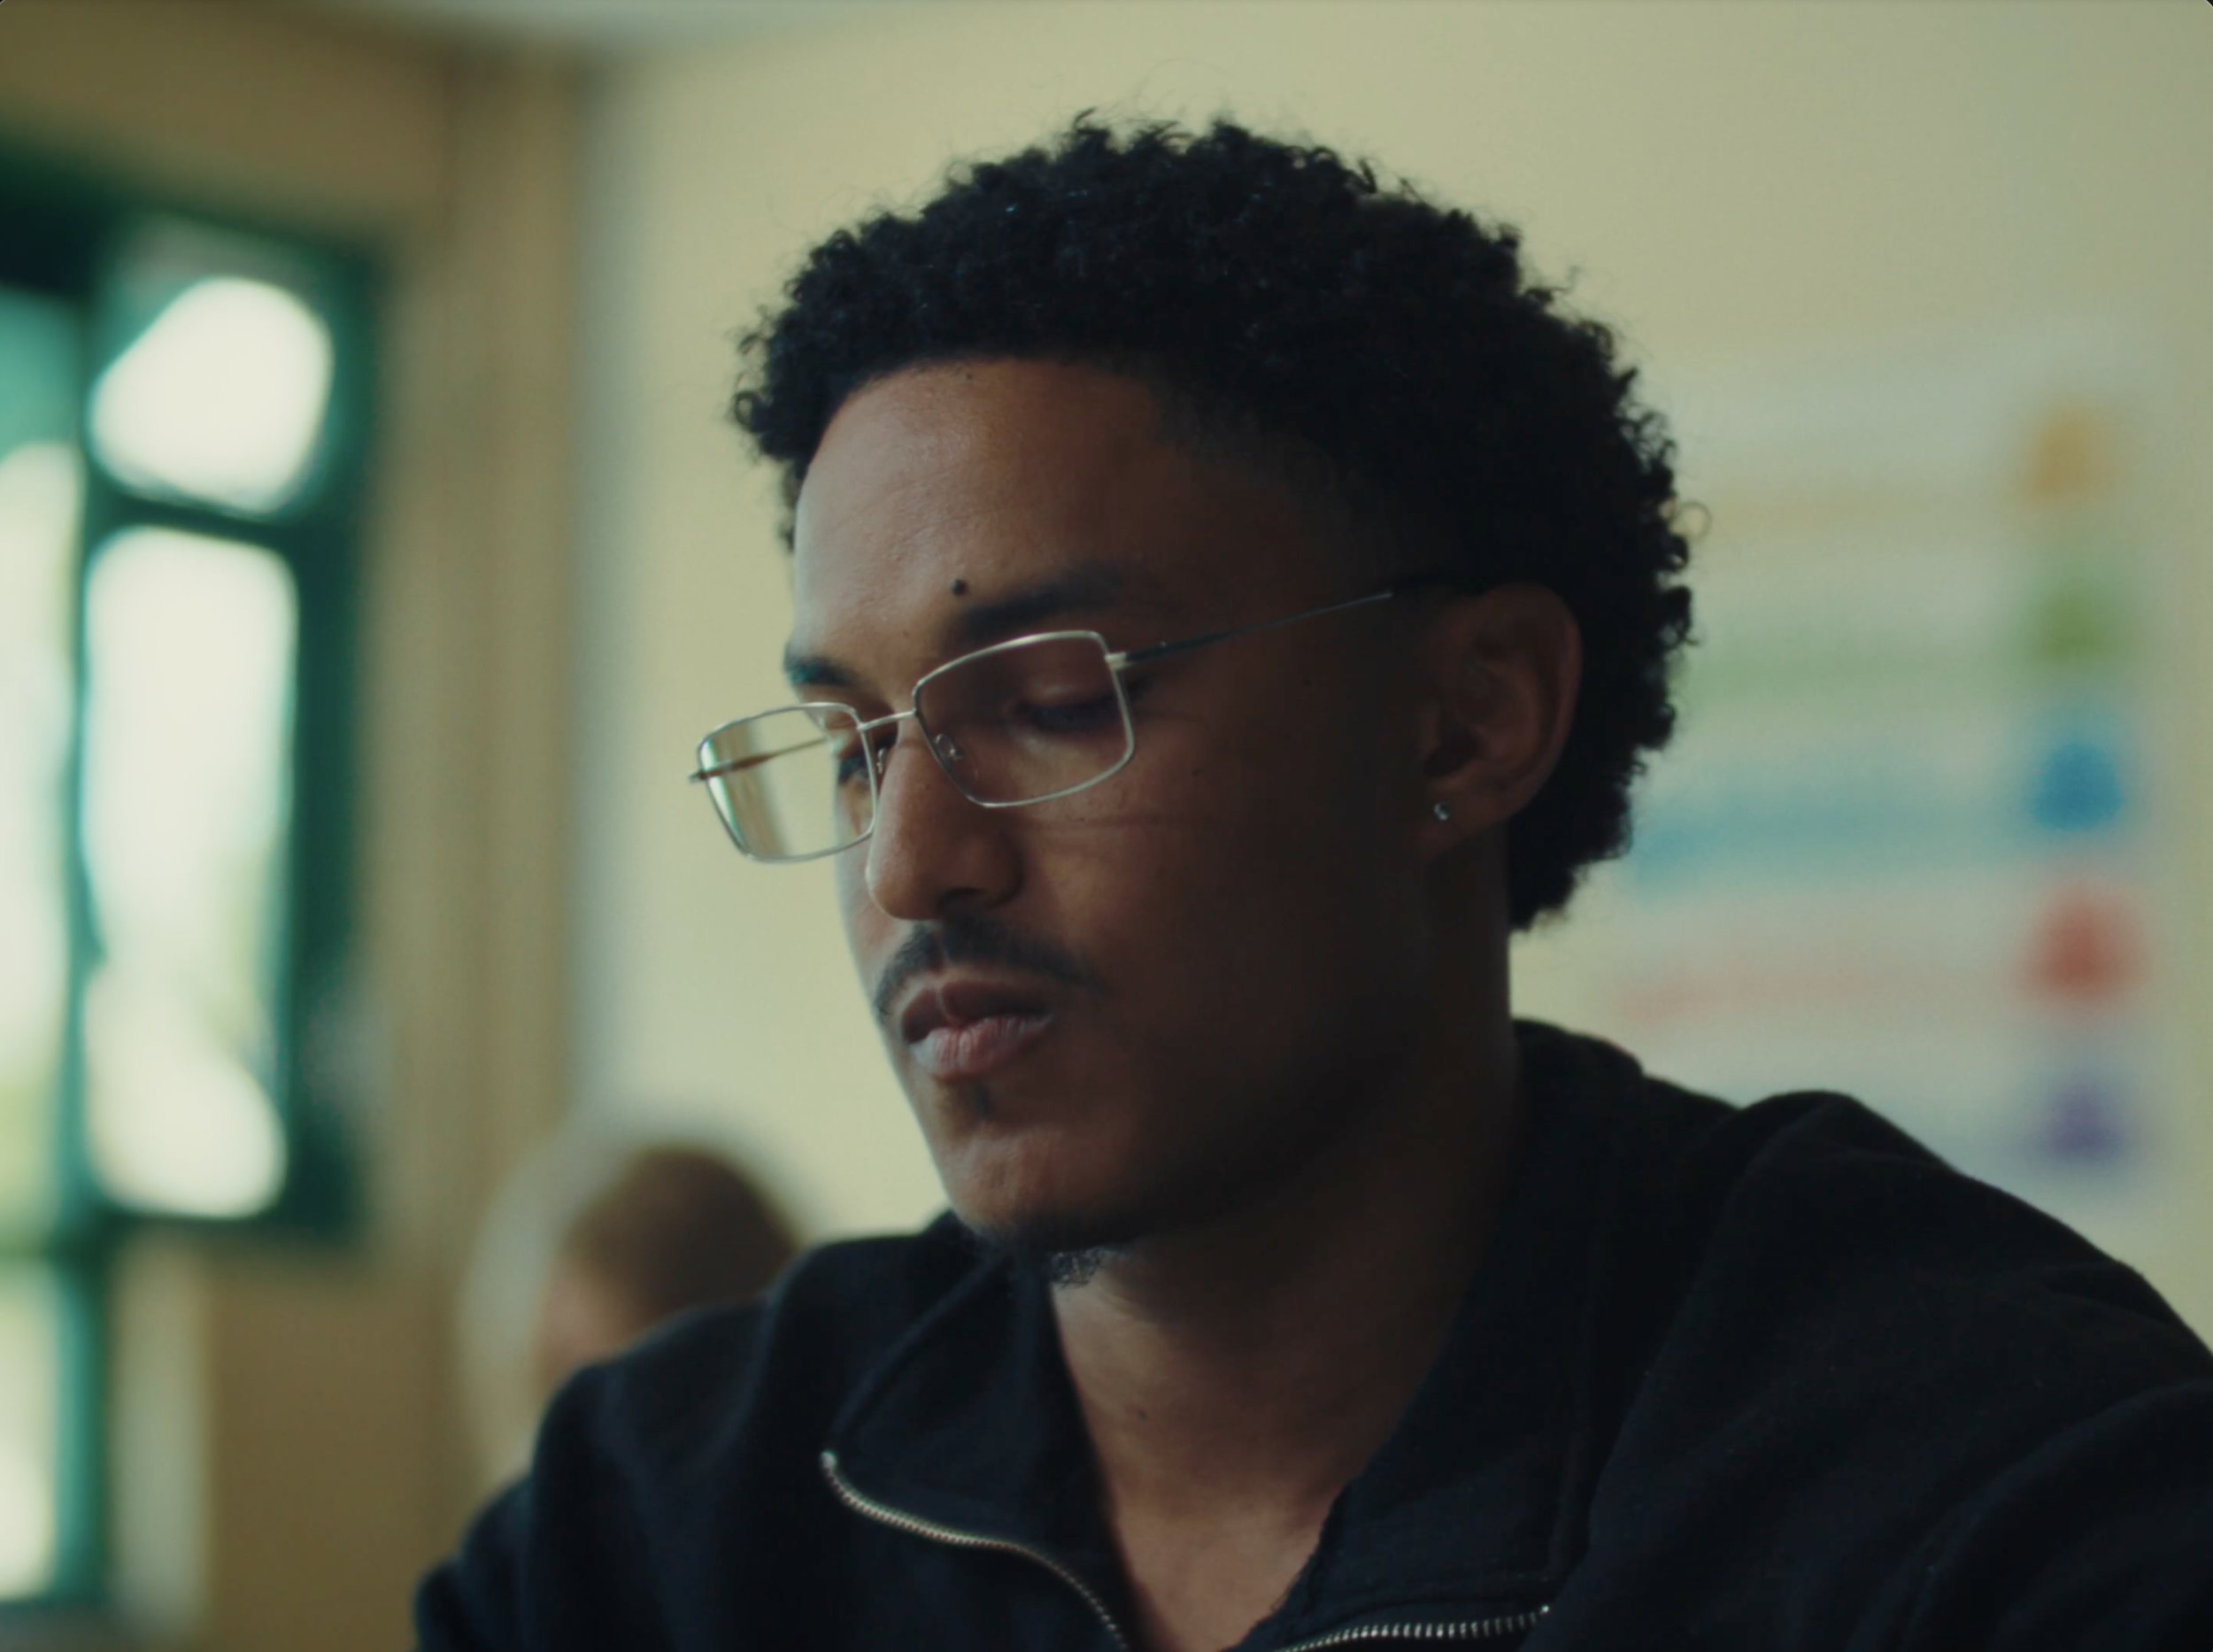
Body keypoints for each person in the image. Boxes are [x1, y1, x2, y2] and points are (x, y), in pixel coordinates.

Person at [415, 119, 2213, 1651]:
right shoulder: (660, 1521)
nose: (908, 862)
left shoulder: (1981, 1484)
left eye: (1050, 704)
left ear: (1460, 724)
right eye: (858, 741)